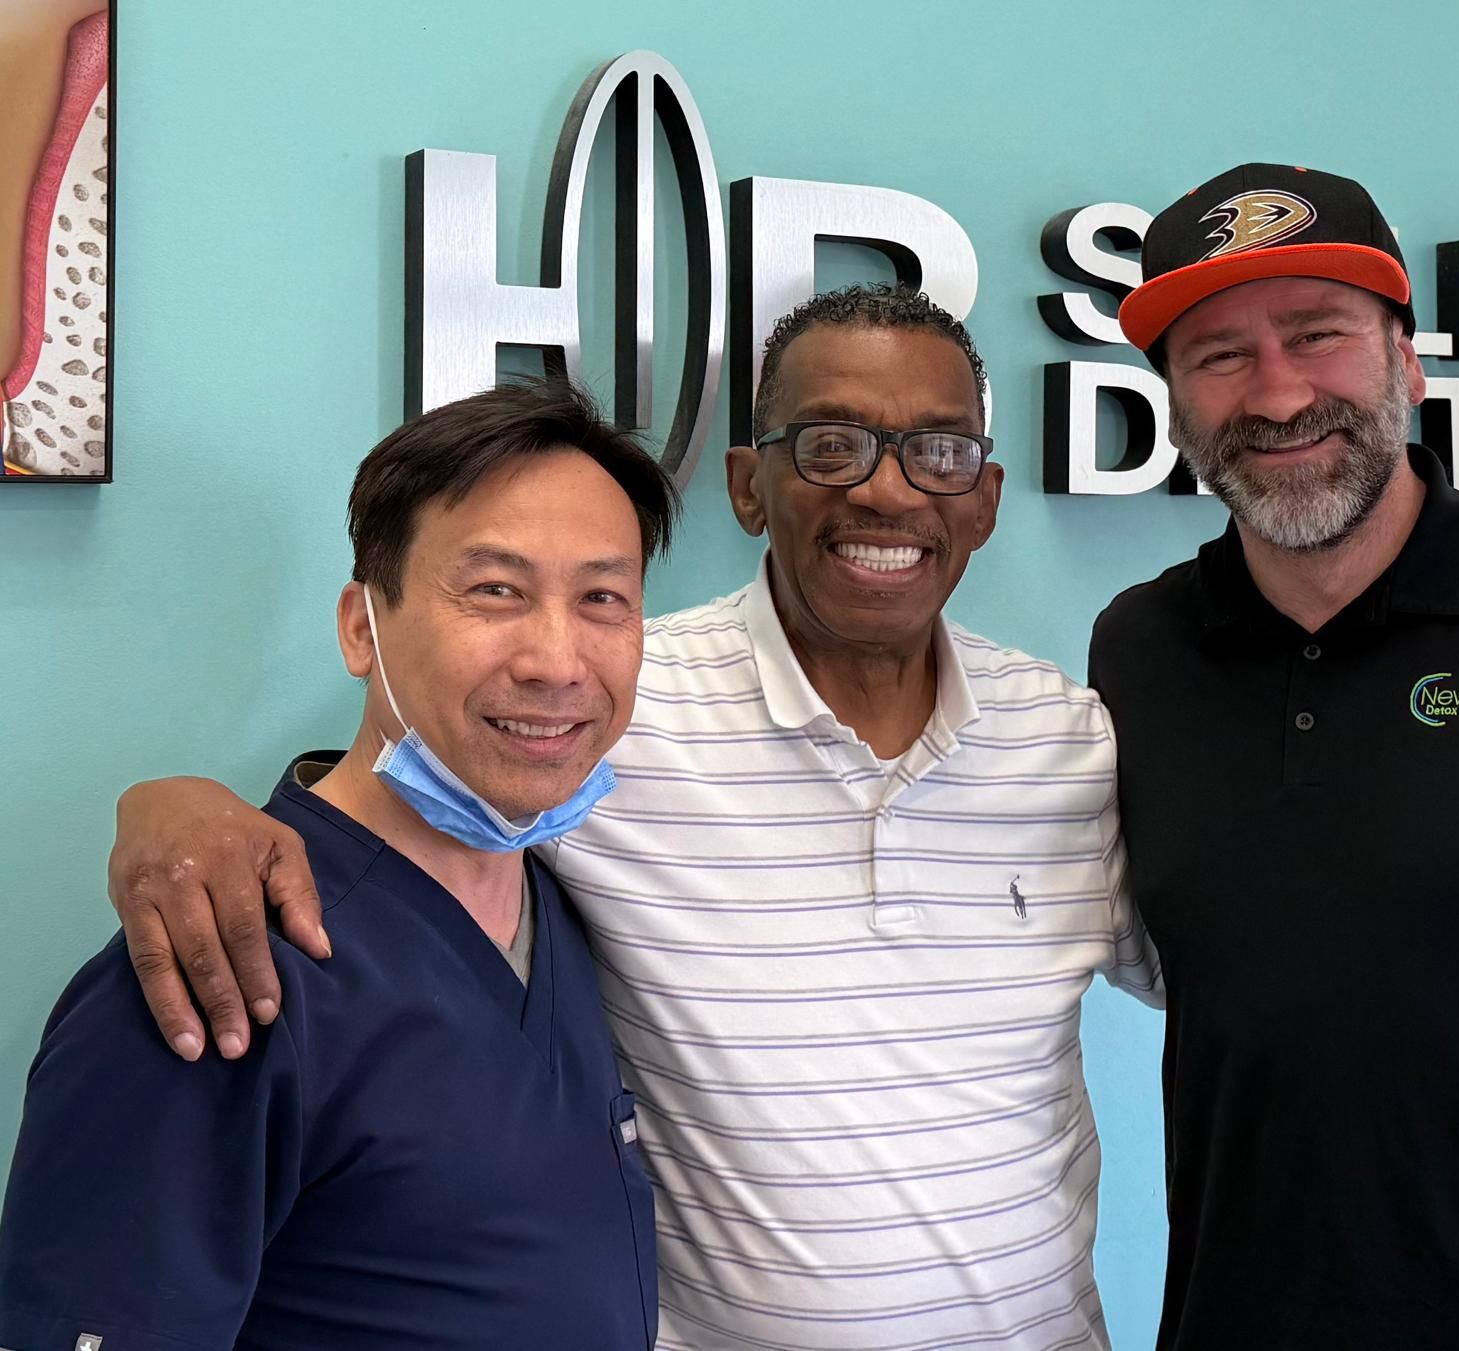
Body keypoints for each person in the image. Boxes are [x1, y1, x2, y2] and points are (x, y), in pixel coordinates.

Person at [98, 285, 1163, 1349]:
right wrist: (171, 809)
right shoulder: (606, 708)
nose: (887, 492)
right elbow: (402, 795)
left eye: (938, 454)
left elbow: (1236, 966)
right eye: (832, 445)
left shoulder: (1065, 739)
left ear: (983, 496)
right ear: (751, 486)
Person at [0, 379, 675, 1350]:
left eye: (602, 599)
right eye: (496, 591)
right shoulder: (220, 963)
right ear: (362, 627)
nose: (557, 660)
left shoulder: (560, 908)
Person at [1092, 163, 1459, 1349]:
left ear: (1408, 364)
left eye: (1317, 334)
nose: (1277, 393)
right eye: (1218, 355)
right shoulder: (1139, 649)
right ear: (1174, 405)